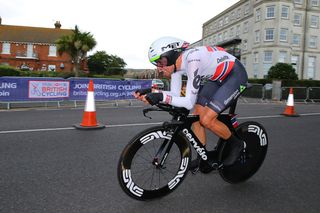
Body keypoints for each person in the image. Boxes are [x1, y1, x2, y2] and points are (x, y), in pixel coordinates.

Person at [134, 36, 248, 171]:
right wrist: (151, 92)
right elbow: (175, 95)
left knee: (206, 120)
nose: (159, 68)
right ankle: (203, 157)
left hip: (234, 75)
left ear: (172, 55)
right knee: (196, 117)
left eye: (160, 62)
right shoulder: (176, 67)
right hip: (216, 79)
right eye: (156, 64)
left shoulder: (193, 60)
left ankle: (236, 144)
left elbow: (188, 102)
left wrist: (160, 96)